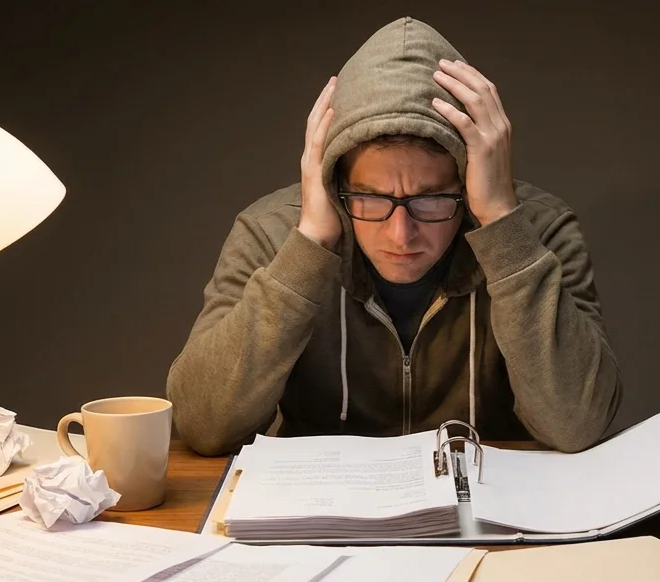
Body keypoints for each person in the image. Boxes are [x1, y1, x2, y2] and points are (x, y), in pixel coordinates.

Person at [167, 17, 621, 456]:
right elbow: (205, 424)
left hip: (490, 518)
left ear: (468, 183)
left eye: (431, 200)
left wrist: (503, 226)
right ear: (333, 180)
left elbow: (578, 424)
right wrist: (307, 248)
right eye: (369, 197)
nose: (401, 234)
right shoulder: (270, 233)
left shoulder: (538, 231)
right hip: (322, 523)